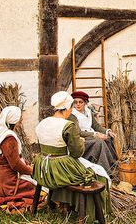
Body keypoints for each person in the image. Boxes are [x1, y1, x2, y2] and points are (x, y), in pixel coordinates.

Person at [33, 91, 111, 224]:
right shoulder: (67, 126)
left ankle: (63, 203)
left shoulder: (42, 123)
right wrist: (80, 141)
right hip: (59, 168)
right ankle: (91, 213)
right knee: (97, 174)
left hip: (42, 167)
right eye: (71, 108)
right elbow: (77, 153)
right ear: (68, 109)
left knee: (87, 168)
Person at [68, 91, 117, 172]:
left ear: (85, 103)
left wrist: (107, 131)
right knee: (99, 142)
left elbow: (95, 126)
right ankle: (104, 170)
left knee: (108, 138)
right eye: (75, 102)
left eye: (81, 102)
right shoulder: (72, 115)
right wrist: (95, 134)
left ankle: (112, 164)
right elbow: (78, 132)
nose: (78, 104)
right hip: (81, 139)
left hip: (91, 136)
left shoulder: (88, 111)